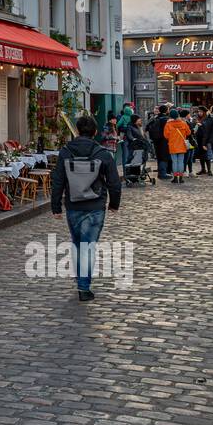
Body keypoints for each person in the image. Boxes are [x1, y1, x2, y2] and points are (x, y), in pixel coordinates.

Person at [49, 115, 122, 302]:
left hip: (73, 204)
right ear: (95, 132)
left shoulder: (66, 152)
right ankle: (83, 286)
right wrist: (114, 204)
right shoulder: (102, 153)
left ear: (78, 130)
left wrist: (55, 206)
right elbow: (114, 182)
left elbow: (58, 180)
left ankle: (81, 278)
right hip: (95, 204)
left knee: (77, 244)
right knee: (88, 246)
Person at [163, 109, 191, 184]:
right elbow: (189, 132)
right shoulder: (183, 123)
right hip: (182, 145)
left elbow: (166, 135)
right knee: (181, 162)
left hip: (172, 145)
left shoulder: (168, 124)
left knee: (174, 162)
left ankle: (175, 178)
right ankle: (181, 178)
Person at [145, 104, 170, 181]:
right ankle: (163, 173)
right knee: (164, 156)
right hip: (164, 140)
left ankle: (160, 172)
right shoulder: (166, 119)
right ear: (166, 111)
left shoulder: (155, 118)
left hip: (156, 140)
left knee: (159, 156)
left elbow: (147, 127)